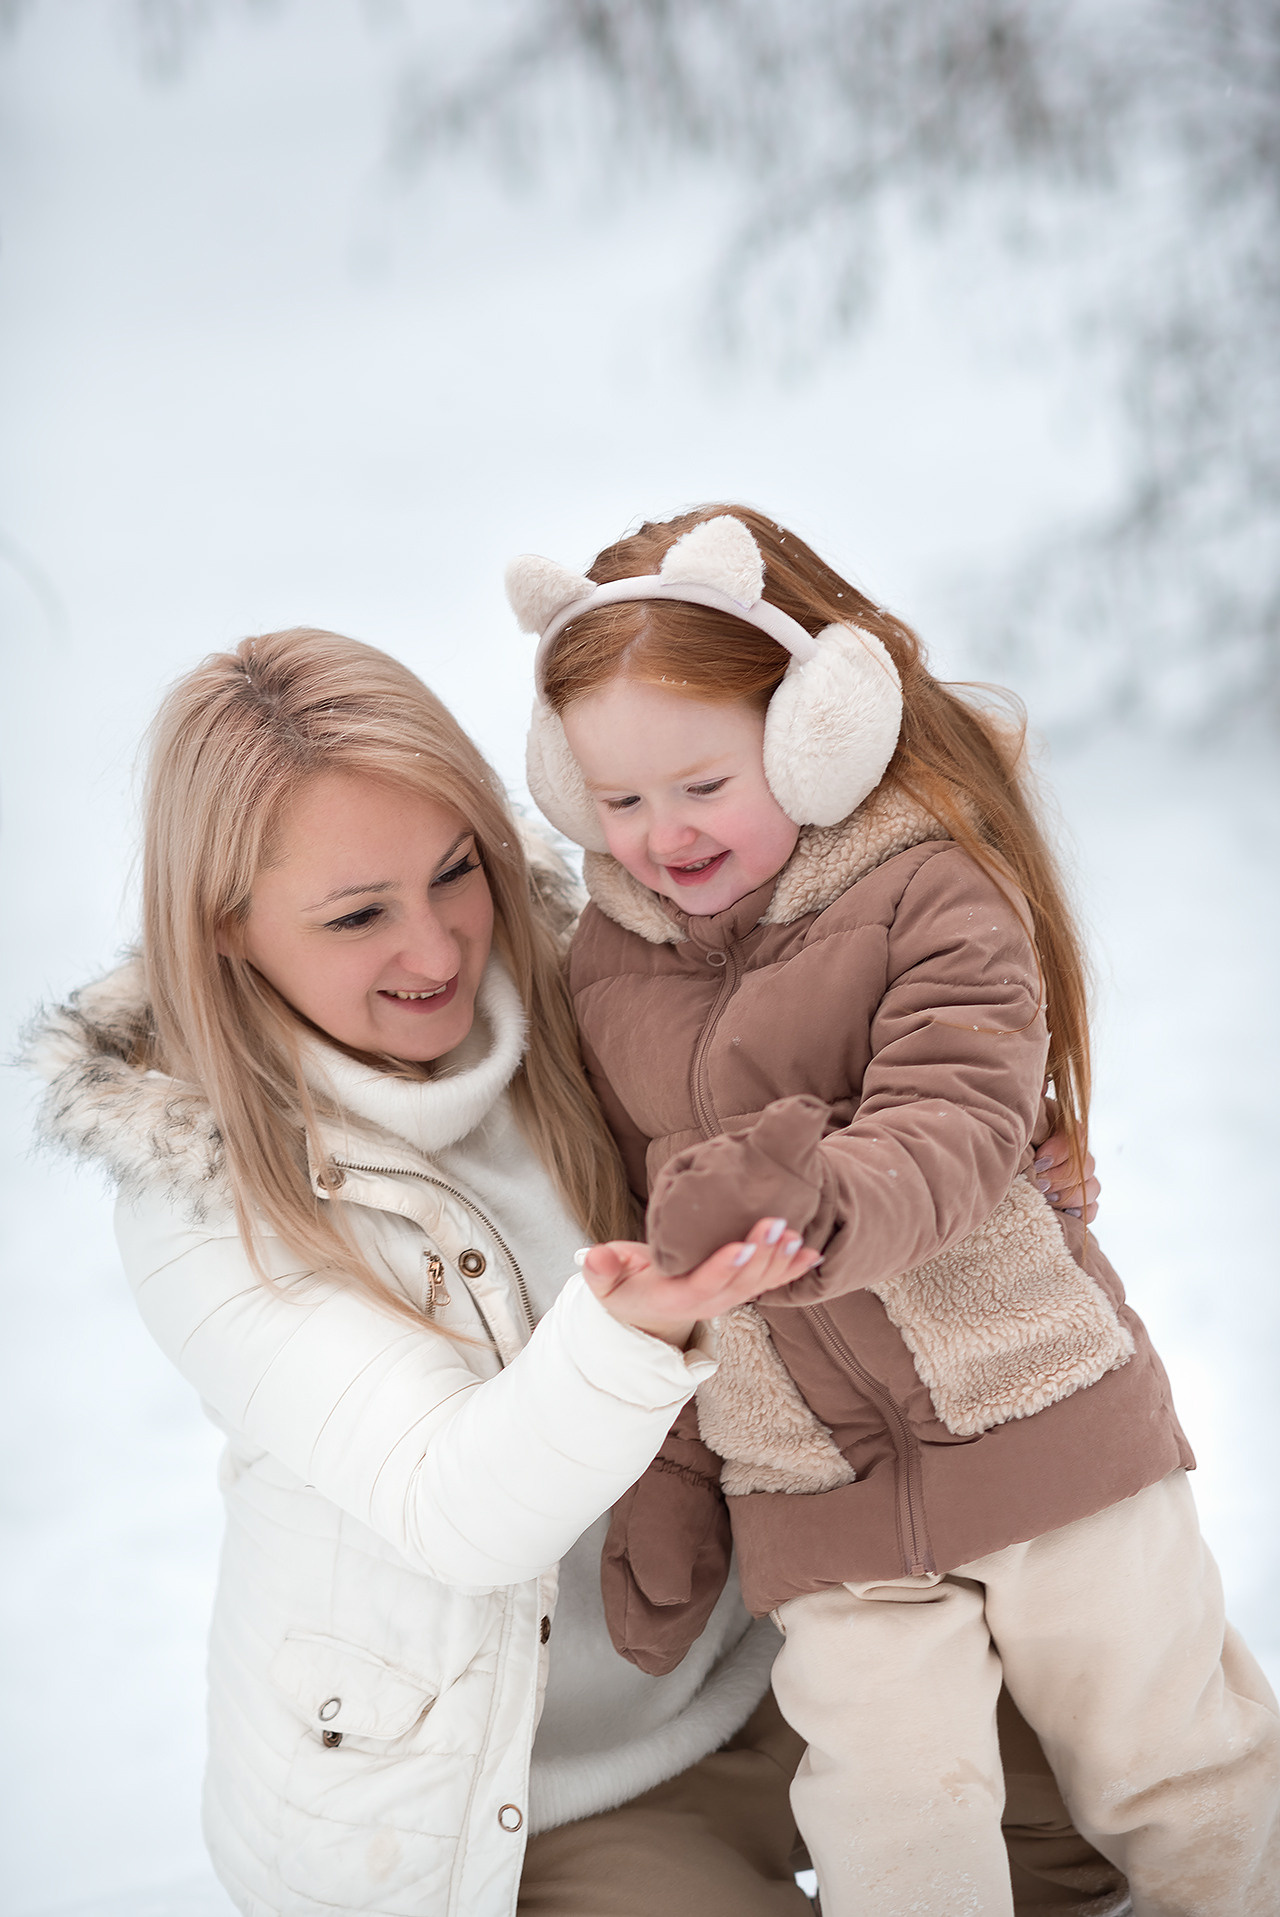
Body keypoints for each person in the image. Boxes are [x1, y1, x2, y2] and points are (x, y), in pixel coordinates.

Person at [26, 624, 1117, 1917]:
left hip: (764, 1646)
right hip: (525, 1794)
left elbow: (818, 1088)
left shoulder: (591, 975)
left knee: (1102, 1809)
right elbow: (457, 1503)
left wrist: (977, 1153)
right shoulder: (208, 1192)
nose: (437, 950)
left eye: (456, 872)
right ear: (226, 931)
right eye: (358, 914)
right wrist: (630, 1327)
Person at [509, 504, 1280, 1916]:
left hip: (1044, 1430)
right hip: (814, 1494)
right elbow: (648, 1238)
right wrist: (674, 1476)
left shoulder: (932, 890)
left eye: (699, 781)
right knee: (892, 1833)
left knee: (1177, 1771)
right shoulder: (600, 973)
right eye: (618, 802)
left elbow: (954, 1121)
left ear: (816, 729)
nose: (661, 835)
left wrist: (811, 1201)